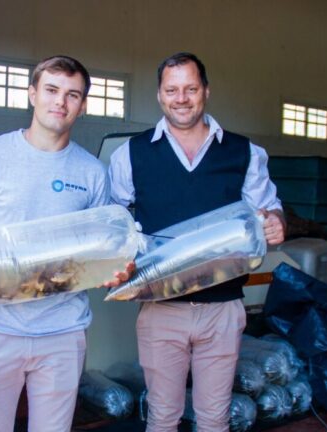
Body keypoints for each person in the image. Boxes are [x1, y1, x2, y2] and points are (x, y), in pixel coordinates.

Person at [0, 55, 132, 432]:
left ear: (83, 105)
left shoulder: (92, 172)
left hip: (62, 330)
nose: (61, 101)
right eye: (52, 90)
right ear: (32, 94)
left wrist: (115, 268)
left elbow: (103, 247)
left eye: (72, 95)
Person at [108, 52, 286, 431]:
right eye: (172, 90)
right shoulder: (131, 154)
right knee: (162, 417)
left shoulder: (244, 152)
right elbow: (114, 222)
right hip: (161, 310)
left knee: (214, 419)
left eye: (190, 88)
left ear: (206, 91)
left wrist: (275, 222)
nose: (181, 98)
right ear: (160, 95)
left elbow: (271, 210)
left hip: (222, 309)